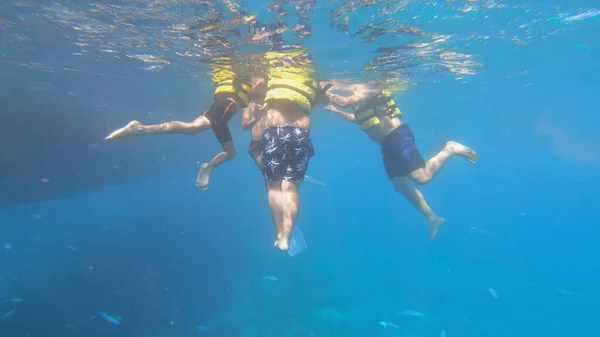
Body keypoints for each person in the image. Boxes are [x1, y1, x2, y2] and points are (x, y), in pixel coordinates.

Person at [324, 83, 478, 240]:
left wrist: (325, 91)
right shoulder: (359, 98)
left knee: (422, 177)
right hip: (386, 143)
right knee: (401, 185)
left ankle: (450, 148)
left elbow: (344, 102)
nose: (346, 86)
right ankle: (432, 218)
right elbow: (357, 118)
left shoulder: (365, 90)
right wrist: (336, 112)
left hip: (397, 137)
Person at [105, 60, 254, 191]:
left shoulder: (238, 82)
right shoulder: (247, 80)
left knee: (191, 128)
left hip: (218, 109)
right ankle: (208, 167)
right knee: (231, 153)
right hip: (224, 112)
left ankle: (140, 128)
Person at [253, 47, 327, 251]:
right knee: (291, 187)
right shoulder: (313, 79)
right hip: (300, 134)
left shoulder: (272, 75)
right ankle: (286, 235)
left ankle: (281, 235)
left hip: (275, 132)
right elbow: (323, 100)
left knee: (274, 186)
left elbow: (255, 91)